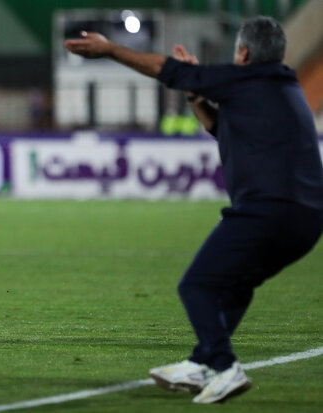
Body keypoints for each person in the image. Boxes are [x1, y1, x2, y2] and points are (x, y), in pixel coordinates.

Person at [65, 16, 323, 403]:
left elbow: (162, 69)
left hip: (269, 210)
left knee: (197, 285)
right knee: (236, 286)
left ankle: (223, 365)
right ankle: (202, 362)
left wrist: (110, 49)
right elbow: (222, 128)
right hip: (306, 219)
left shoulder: (244, 80)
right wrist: (193, 91)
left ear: (244, 52)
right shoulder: (282, 89)